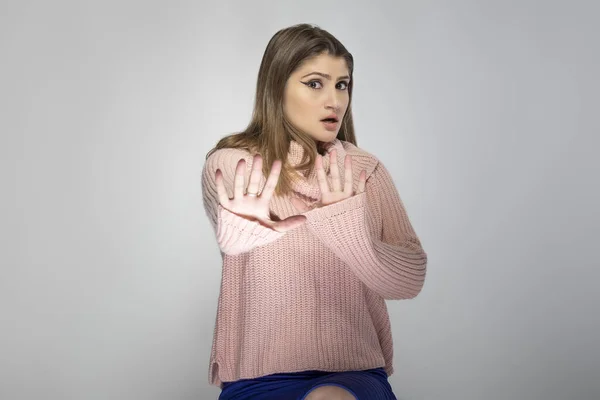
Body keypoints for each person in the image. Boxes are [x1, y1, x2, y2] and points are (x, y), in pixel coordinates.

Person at [201, 23, 427, 400]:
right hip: (259, 378)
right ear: (277, 88)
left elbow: (408, 281)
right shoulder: (234, 162)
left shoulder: (364, 170)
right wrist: (244, 229)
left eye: (342, 84)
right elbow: (231, 232)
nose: (335, 101)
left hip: (353, 374)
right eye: (315, 83)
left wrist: (346, 229)